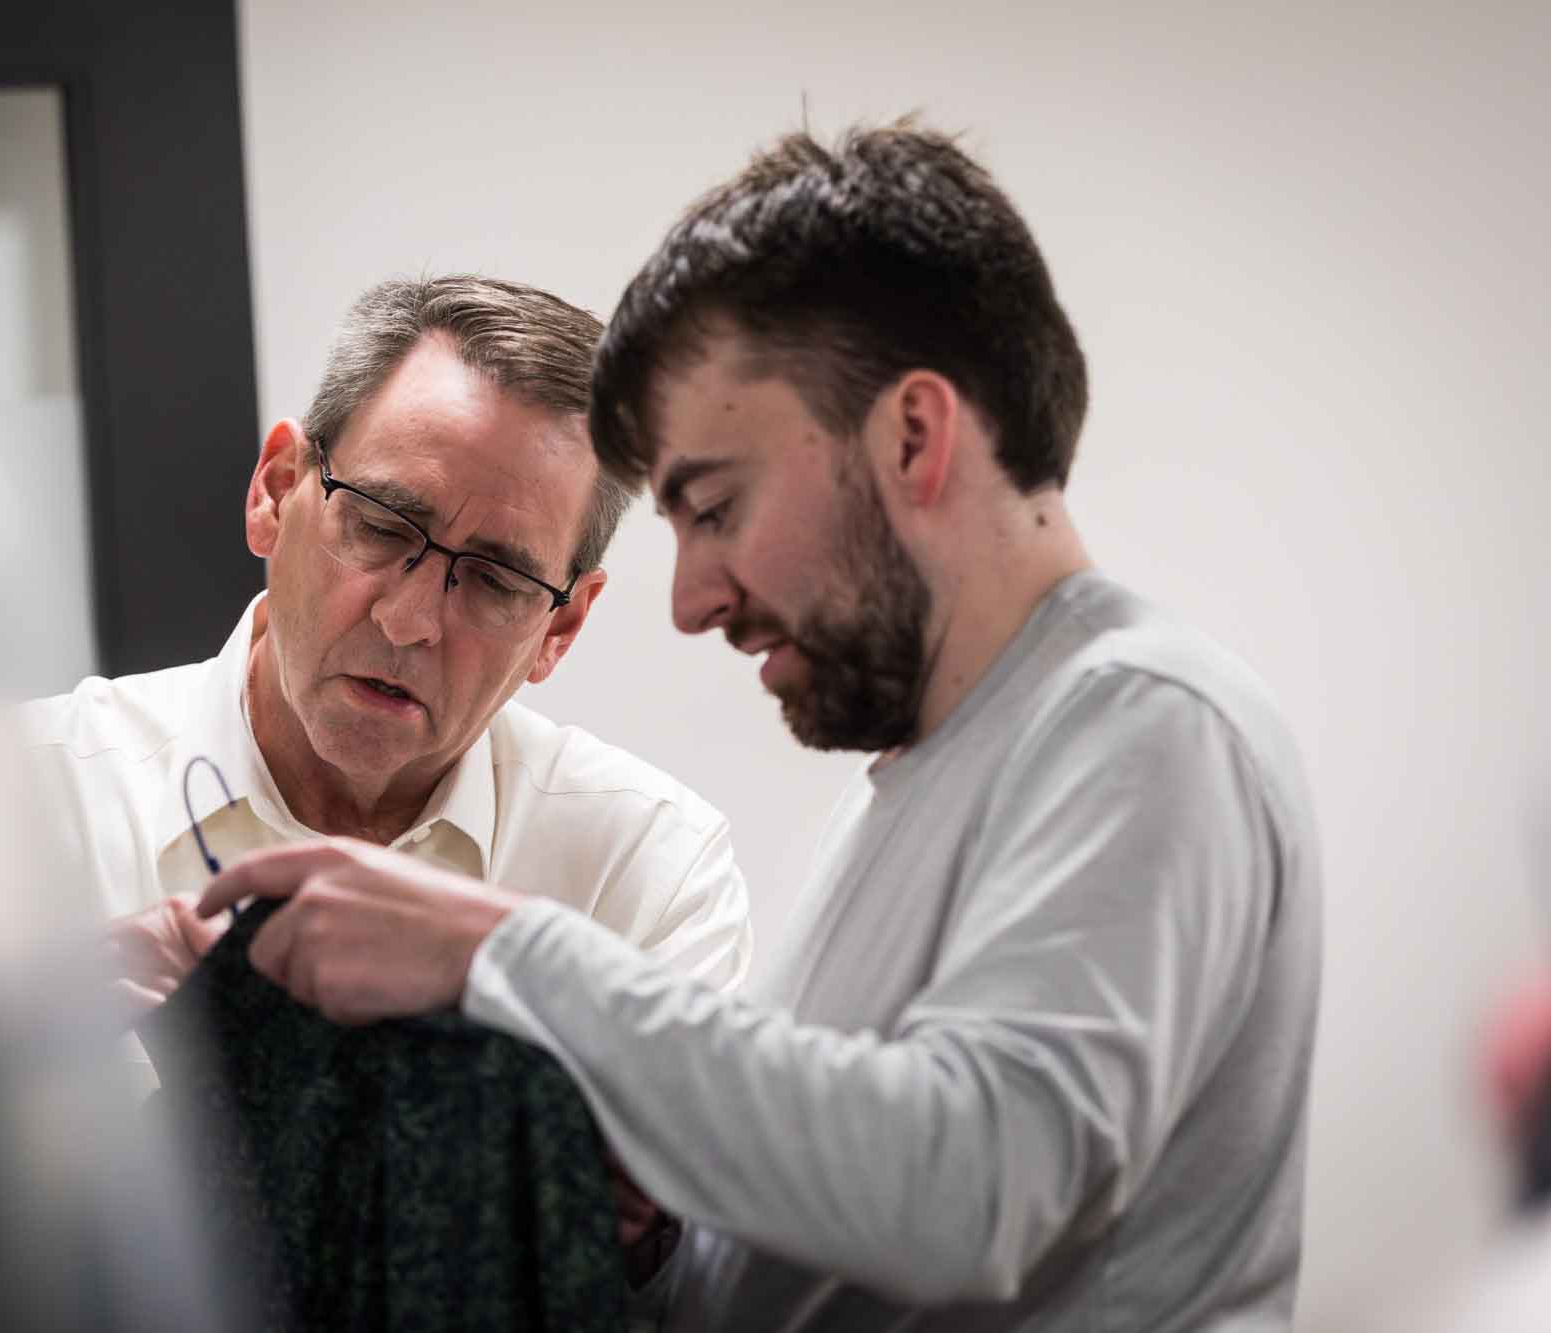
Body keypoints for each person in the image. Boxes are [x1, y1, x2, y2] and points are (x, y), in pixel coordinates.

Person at [196, 123, 1324, 1330]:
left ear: (910, 438)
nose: (691, 600)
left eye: (715, 506)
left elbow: (973, 1191)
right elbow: (825, 1257)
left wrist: (494, 951)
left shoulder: (1143, 720)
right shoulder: (921, 782)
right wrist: (645, 1225)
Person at [20, 275, 753, 1063]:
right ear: (275, 491)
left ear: (561, 626)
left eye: (496, 581)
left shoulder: (646, 879)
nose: (407, 622)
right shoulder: (25, 806)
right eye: (378, 526)